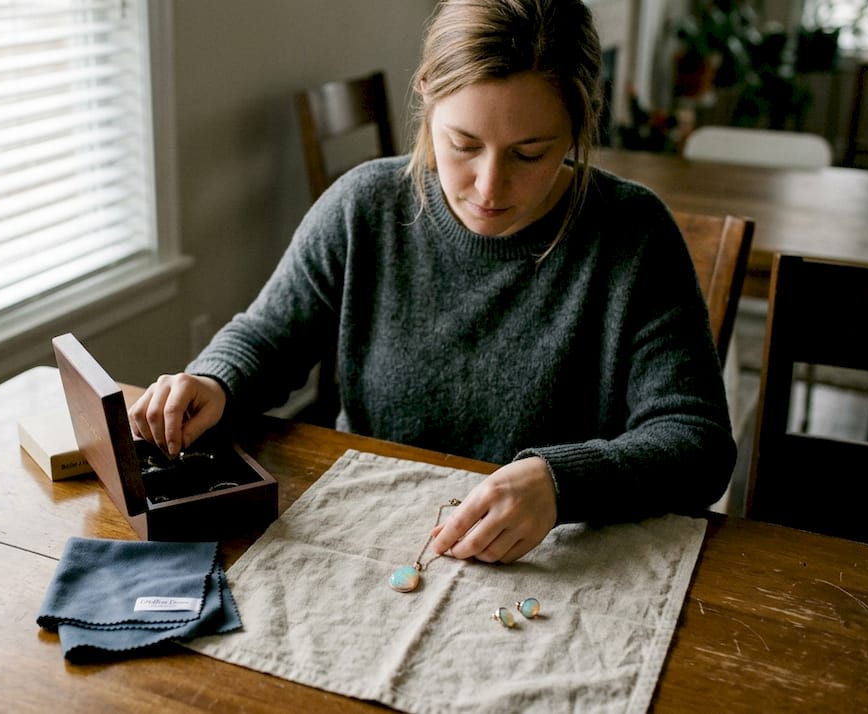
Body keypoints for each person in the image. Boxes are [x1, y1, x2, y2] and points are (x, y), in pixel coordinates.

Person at [129, 0, 736, 563]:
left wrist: (562, 482)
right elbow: (267, 337)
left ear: (578, 127)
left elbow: (698, 443)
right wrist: (214, 380)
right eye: (463, 144)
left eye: (530, 153)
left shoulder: (634, 233)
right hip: (373, 541)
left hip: (557, 564)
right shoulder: (363, 206)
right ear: (426, 98)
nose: (489, 187)